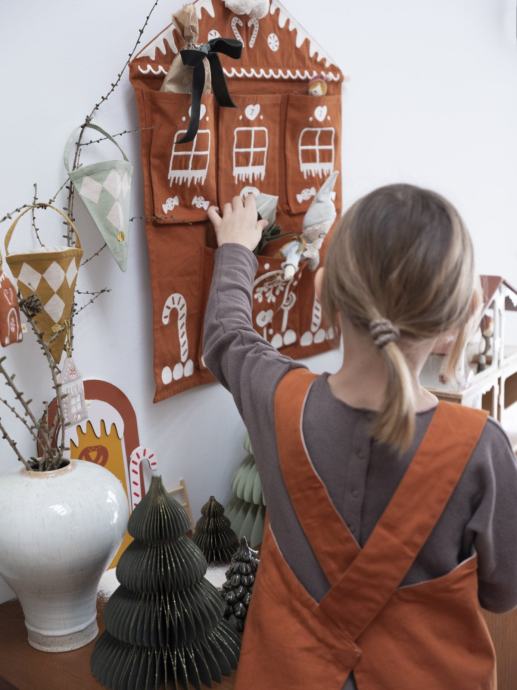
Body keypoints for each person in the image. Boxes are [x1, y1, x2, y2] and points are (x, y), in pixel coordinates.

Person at [203, 185, 517, 690]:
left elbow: (226, 335)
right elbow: (502, 593)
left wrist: (237, 248)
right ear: (456, 320)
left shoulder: (276, 399)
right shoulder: (483, 448)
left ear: (323, 291)